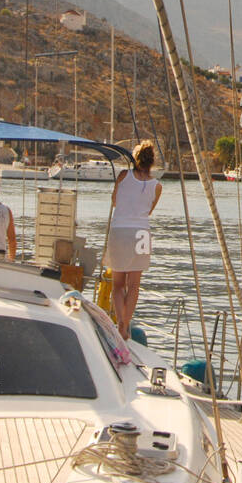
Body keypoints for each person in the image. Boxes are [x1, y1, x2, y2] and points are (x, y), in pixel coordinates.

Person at [107, 140, 162, 338]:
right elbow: (148, 211)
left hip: (120, 231)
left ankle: (120, 323)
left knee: (118, 284)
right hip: (141, 233)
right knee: (134, 285)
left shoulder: (123, 176)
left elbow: (114, 201)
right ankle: (125, 324)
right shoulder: (157, 186)